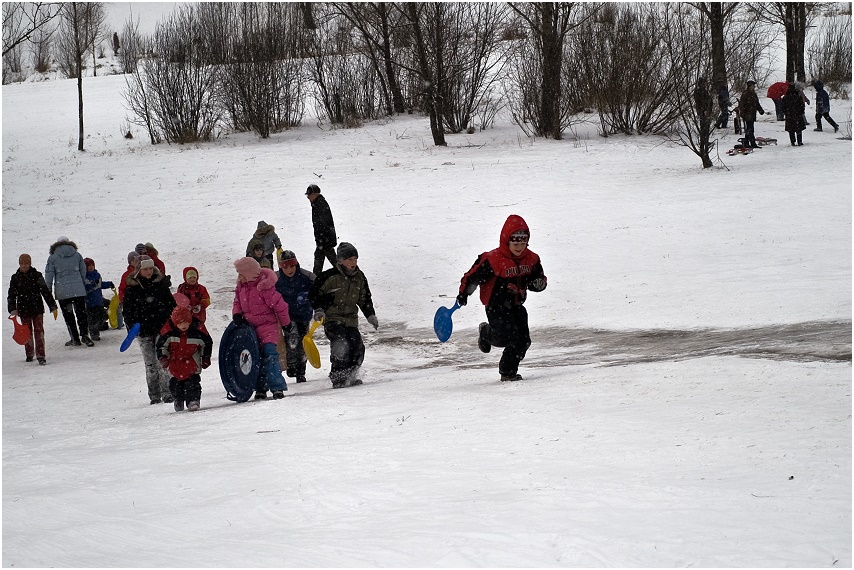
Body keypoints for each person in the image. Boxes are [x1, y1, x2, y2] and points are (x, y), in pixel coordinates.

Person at [456, 215, 547, 382]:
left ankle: (508, 372)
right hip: (496, 305)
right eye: (515, 243)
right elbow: (472, 277)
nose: (519, 247)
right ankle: (485, 332)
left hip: (517, 305)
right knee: (507, 336)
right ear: (507, 241)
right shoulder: (493, 260)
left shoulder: (532, 259)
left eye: (523, 243)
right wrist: (464, 293)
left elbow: (538, 279)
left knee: (523, 340)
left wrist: (538, 284)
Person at [308, 242, 377, 389]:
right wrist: (319, 309)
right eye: (350, 259)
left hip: (350, 320)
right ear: (340, 261)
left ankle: (351, 375)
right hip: (332, 319)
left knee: (357, 346)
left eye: (355, 259)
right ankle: (339, 377)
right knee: (341, 344)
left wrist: (370, 315)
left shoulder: (360, 277)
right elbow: (314, 294)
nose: (353, 263)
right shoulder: (329, 276)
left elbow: (365, 298)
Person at [232, 257, 292, 400]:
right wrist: (237, 314)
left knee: (270, 355)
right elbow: (237, 302)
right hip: (250, 329)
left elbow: (280, 306)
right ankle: (260, 387)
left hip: (268, 327)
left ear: (249, 273)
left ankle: (277, 387)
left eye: (240, 273)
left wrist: (286, 324)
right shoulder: (241, 286)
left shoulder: (264, 287)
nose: (238, 276)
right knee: (255, 357)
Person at [123, 255, 177, 404]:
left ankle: (168, 393)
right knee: (150, 364)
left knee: (163, 361)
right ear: (139, 270)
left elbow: (171, 305)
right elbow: (127, 311)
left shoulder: (160, 285)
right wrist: (132, 326)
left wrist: (172, 323)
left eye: (150, 268)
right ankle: (154, 395)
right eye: (145, 268)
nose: (148, 271)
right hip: (143, 331)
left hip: (162, 329)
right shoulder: (132, 289)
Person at [156, 305, 213, 412]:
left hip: (192, 363)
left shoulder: (198, 331)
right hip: (175, 363)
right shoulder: (168, 332)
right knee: (175, 385)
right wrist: (163, 357)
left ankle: (193, 401)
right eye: (180, 323)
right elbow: (161, 346)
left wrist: (206, 357)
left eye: (186, 322)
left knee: (193, 384)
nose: (183, 325)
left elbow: (207, 343)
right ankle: (178, 399)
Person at [7, 253, 57, 365]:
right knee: (27, 333)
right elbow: (11, 294)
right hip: (23, 310)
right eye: (22, 263)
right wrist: (12, 308)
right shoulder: (15, 278)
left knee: (39, 332)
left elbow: (45, 292)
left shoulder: (37, 275)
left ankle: (41, 355)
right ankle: (29, 353)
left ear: (30, 264)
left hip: (37, 309)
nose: (24, 265)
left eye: (26, 263)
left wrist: (52, 305)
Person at [275, 250, 315, 383]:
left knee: (303, 342)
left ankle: (301, 371)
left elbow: (318, 289)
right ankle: (291, 365)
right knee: (292, 339)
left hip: (304, 315)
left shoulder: (306, 276)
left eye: (292, 266)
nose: (289, 269)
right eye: (285, 267)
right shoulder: (275, 279)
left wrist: (309, 297)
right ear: (281, 267)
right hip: (286, 316)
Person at [45, 236, 93, 347]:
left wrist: (48, 290)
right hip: (78, 290)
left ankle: (74, 338)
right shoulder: (77, 255)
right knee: (81, 313)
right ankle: (85, 335)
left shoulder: (52, 258)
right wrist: (80, 283)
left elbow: (49, 275)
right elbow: (83, 271)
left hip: (63, 292)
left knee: (69, 315)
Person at [306, 184, 338, 277]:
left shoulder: (320, 205)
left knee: (334, 262)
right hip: (322, 240)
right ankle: (315, 279)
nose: (308, 197)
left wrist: (322, 241)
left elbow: (323, 225)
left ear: (315, 194)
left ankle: (346, 276)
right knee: (319, 261)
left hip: (325, 240)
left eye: (309, 194)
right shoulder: (317, 204)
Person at [83, 258, 114, 341]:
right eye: (89, 266)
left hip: (99, 301)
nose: (91, 267)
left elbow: (100, 284)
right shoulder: (84, 277)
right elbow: (86, 288)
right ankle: (94, 333)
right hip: (90, 303)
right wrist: (93, 284)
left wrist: (108, 284)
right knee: (92, 319)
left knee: (102, 316)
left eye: (92, 265)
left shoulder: (97, 275)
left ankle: (99, 327)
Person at [737, 80, 765, 149]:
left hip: (752, 113)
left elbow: (756, 103)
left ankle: (746, 142)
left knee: (749, 129)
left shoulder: (753, 94)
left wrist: (760, 110)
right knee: (750, 129)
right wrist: (743, 114)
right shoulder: (745, 94)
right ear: (749, 86)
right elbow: (742, 105)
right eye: (753, 85)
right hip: (747, 114)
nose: (754, 87)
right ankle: (752, 143)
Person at [117, 251, 139, 329]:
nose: (136, 262)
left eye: (137, 260)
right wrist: (123, 299)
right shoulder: (126, 275)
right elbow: (122, 288)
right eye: (134, 261)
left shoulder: (142, 272)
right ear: (130, 262)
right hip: (130, 302)